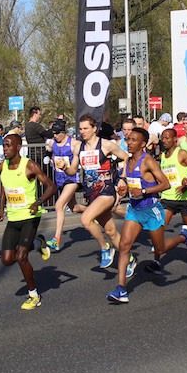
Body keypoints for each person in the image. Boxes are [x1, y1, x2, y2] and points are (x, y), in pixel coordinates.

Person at [107, 128, 187, 303]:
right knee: (124, 246)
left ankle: (184, 237)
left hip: (151, 210)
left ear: (142, 144)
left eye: (134, 140)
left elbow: (165, 184)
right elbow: (132, 184)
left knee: (160, 249)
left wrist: (144, 191)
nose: (129, 143)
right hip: (134, 209)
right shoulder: (128, 160)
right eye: (128, 139)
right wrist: (125, 189)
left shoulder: (148, 161)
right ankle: (121, 289)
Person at [0, 133, 56, 310]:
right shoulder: (2, 166)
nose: (5, 149)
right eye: (4, 145)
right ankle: (37, 243)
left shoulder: (29, 166)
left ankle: (34, 295)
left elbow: (51, 186)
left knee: (21, 257)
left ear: (18, 147)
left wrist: (38, 202)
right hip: (13, 218)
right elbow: (3, 187)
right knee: (7, 260)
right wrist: (1, 208)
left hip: (30, 217)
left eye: (8, 145)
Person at [75, 114, 131, 268]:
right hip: (92, 194)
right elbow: (72, 169)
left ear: (94, 129)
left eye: (86, 128)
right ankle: (130, 260)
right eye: (80, 129)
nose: (82, 131)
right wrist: (65, 167)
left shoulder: (106, 145)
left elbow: (127, 158)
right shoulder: (79, 147)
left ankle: (105, 247)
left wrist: (122, 178)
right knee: (111, 231)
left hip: (106, 191)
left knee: (85, 219)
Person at [156, 128, 187, 272]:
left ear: (175, 140)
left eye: (167, 138)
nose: (164, 141)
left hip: (184, 199)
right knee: (158, 230)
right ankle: (156, 261)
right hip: (167, 198)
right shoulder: (162, 156)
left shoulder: (181, 153)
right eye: (163, 138)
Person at [44, 119, 79, 252]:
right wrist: (47, 155)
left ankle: (56, 239)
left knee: (59, 205)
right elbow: (48, 149)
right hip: (59, 179)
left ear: (64, 132)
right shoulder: (52, 142)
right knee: (74, 208)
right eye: (53, 133)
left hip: (71, 179)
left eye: (57, 133)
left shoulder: (73, 143)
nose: (55, 135)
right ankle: (96, 213)